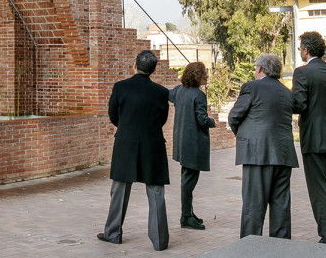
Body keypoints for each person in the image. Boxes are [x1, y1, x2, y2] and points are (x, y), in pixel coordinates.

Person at [99, 49, 171, 250]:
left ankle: (113, 233)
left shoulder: (121, 87)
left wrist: (126, 127)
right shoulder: (162, 92)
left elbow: (113, 114)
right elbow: (162, 119)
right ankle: (160, 241)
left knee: (119, 190)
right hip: (153, 144)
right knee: (156, 193)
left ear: (135, 65)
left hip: (126, 144)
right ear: (154, 69)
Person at [227, 53, 298, 239]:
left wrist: (243, 136)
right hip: (283, 154)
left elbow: (234, 116)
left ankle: (250, 249)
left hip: (257, 154)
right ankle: (280, 249)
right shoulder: (287, 92)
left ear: (260, 69)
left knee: (253, 207)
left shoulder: (251, 87)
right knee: (281, 207)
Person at [292, 31, 326, 245]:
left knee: (320, 190)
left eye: (300, 49)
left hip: (314, 139)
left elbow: (300, 104)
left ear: (306, 51)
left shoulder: (302, 73)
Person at [168, 62, 216, 230]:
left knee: (186, 178)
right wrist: (213, 122)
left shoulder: (178, 91)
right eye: (204, 73)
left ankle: (188, 212)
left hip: (182, 142)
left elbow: (166, 94)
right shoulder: (199, 95)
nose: (207, 76)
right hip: (194, 143)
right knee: (189, 181)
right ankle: (186, 216)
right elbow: (202, 119)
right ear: (197, 75)